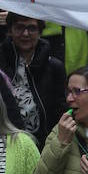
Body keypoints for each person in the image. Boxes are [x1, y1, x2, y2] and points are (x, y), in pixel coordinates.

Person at [0, 13, 66, 151]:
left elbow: (60, 109)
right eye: (19, 28)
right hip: (6, 143)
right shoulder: (2, 63)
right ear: (10, 31)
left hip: (44, 144)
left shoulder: (54, 66)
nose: (25, 34)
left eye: (32, 28)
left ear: (40, 32)